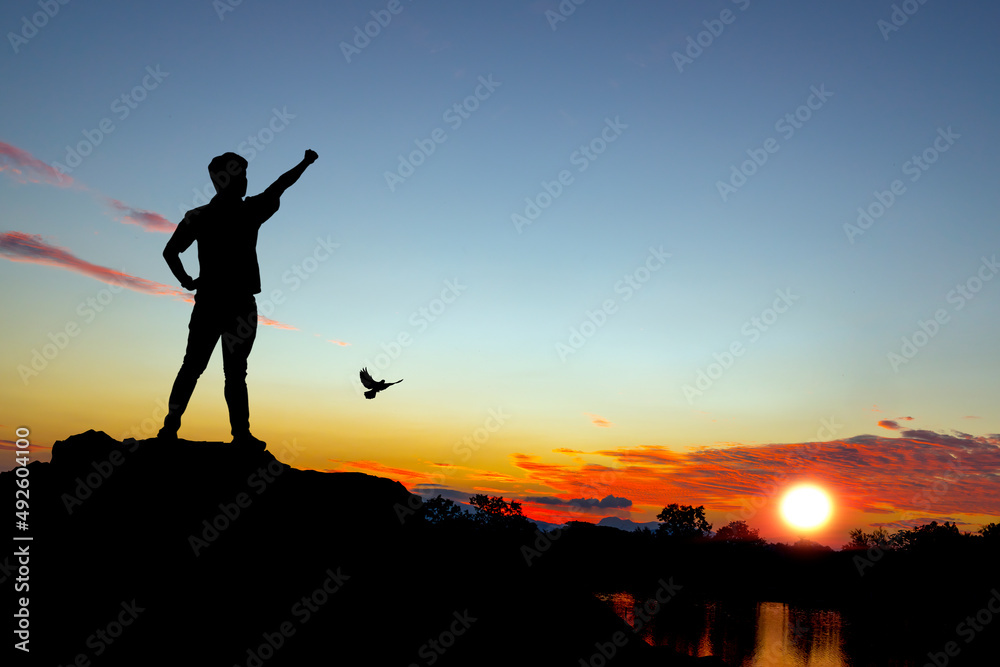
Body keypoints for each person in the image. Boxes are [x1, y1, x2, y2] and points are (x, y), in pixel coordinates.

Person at [157, 149, 319, 449]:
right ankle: (236, 435)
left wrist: (187, 281)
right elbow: (281, 185)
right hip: (236, 304)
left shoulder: (203, 216)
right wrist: (305, 163)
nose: (245, 182)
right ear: (224, 181)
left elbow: (170, 252)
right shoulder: (247, 212)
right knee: (229, 372)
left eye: (245, 175)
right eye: (241, 176)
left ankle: (174, 429)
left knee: (196, 367)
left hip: (217, 302)